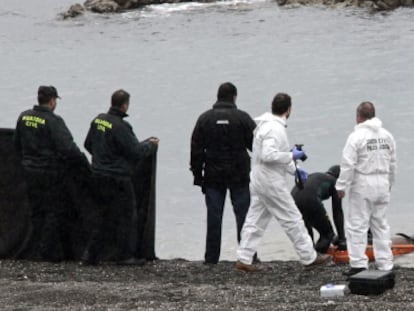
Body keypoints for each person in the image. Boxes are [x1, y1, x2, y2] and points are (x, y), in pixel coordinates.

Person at [236, 93, 331, 271]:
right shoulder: (275, 129)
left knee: (255, 219)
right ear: (288, 109)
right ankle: (309, 257)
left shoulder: (265, 125)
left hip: (258, 179)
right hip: (271, 182)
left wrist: (295, 169)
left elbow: (271, 156)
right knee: (292, 218)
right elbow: (269, 155)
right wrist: (291, 155)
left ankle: (244, 257)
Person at [83, 89, 159, 265]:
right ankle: (124, 256)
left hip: (97, 175)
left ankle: (90, 255)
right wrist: (151, 145)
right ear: (125, 105)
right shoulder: (121, 126)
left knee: (102, 216)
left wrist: (101, 159)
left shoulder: (98, 120)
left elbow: (88, 144)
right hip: (118, 179)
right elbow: (136, 152)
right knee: (126, 216)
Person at [14, 85, 88, 262]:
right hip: (49, 172)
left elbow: (17, 142)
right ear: (52, 101)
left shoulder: (23, 117)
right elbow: (68, 148)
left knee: (37, 211)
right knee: (54, 211)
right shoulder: (54, 121)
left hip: (29, 170)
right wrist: (85, 165)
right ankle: (48, 252)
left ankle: (34, 249)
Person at [190, 82, 256, 264]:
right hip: (239, 175)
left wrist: (197, 176)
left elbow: (196, 150)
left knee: (214, 217)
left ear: (218, 97)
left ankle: (211, 258)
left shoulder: (204, 119)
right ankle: (247, 256)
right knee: (244, 216)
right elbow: (256, 147)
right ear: (234, 97)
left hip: (213, 176)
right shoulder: (242, 118)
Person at [336, 101, 396, 276]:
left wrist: (341, 185)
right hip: (383, 182)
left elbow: (348, 164)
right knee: (381, 224)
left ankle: (358, 264)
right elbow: (393, 163)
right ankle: (385, 263)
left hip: (363, 183)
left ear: (358, 117)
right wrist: (390, 182)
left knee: (357, 225)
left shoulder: (356, 137)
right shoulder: (387, 136)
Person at [291, 165, 346, 253]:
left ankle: (309, 256)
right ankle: (317, 256)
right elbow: (337, 212)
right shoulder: (336, 183)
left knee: (307, 235)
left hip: (293, 200)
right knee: (327, 235)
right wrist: (342, 239)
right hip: (310, 199)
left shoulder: (318, 176)